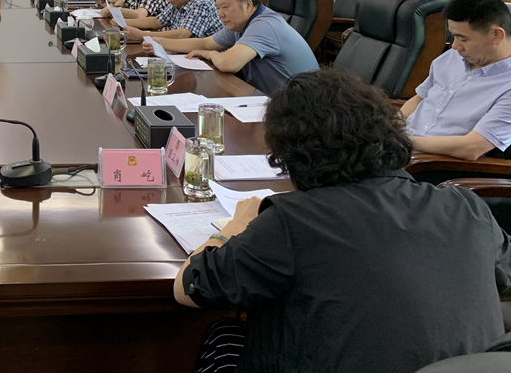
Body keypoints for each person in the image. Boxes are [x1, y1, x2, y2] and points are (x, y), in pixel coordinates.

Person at [174, 68, 511, 373]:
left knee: (225, 337)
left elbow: (189, 287)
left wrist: (232, 229)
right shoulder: (467, 206)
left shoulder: (293, 220)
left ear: (287, 151)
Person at [146, 0, 317, 96]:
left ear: (247, 5)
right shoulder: (241, 23)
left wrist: (211, 54)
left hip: (302, 108)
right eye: (218, 8)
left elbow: (227, 63)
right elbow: (205, 43)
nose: (220, 14)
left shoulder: (264, 25)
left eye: (225, 7)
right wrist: (159, 42)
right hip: (271, 98)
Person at [402, 0, 511, 160]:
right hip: (399, 148)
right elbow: (420, 99)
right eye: (453, 36)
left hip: (431, 164)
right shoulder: (451, 57)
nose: (455, 46)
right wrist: (389, 126)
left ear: (496, 35)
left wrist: (404, 141)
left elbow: (472, 148)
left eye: (463, 39)